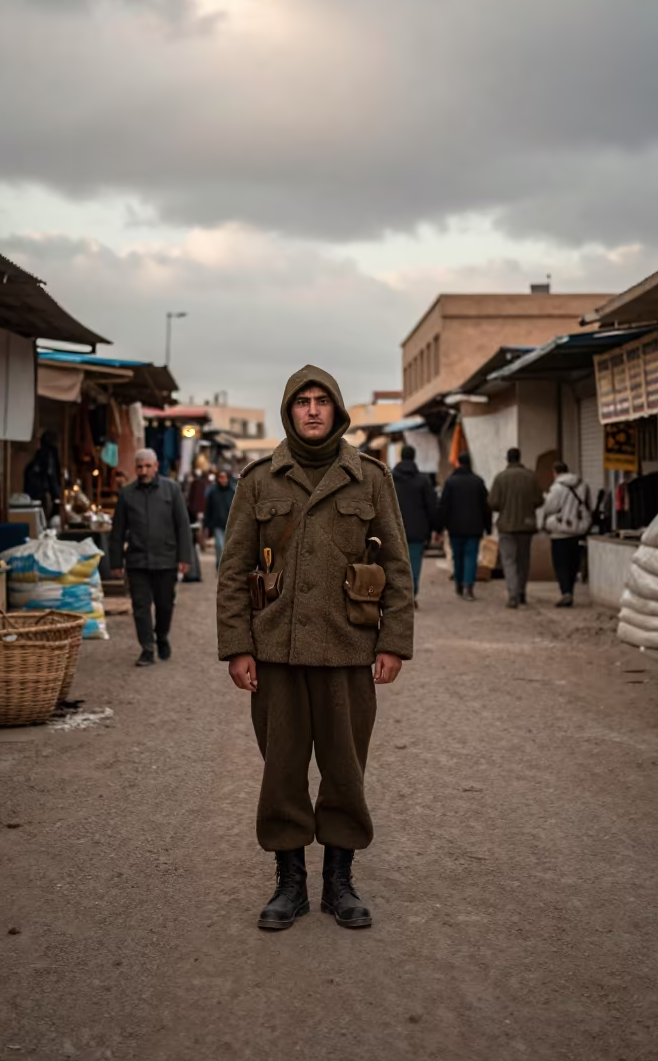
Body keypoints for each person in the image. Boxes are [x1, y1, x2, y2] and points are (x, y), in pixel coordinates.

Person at [217, 365, 414, 931]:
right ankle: (290, 885)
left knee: (345, 769)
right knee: (281, 771)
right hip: (275, 651)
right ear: (289, 411)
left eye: (320, 401)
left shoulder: (369, 477)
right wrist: (238, 646)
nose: (311, 410)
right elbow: (234, 570)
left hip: (348, 648)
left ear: (337, 411)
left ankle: (339, 883)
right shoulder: (260, 479)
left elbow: (397, 565)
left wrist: (394, 642)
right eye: (301, 401)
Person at [110, 448, 193, 666]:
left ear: (156, 467)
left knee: (165, 605)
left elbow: (183, 526)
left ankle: (162, 636)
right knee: (140, 607)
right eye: (140, 467)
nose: (144, 471)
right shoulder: (127, 494)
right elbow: (117, 530)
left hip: (166, 559)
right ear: (135, 469)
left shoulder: (171, 490)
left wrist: (185, 557)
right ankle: (147, 648)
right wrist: (116, 561)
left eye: (148, 466)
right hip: (137, 561)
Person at [489, 447, 544, 609]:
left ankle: (513, 594)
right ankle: (521, 592)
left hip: (506, 526)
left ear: (507, 459)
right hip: (526, 526)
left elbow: (493, 503)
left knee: (509, 561)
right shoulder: (531, 477)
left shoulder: (500, 478)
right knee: (523, 561)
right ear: (520, 458)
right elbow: (539, 500)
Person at [437, 451, 491, 601]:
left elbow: (444, 506)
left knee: (458, 557)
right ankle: (469, 587)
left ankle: (459, 585)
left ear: (458, 463)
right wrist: (488, 527)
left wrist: (439, 527)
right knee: (471, 557)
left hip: (455, 528)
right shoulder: (478, 482)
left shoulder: (451, 482)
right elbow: (485, 507)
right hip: (474, 527)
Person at [391, 444, 438, 605]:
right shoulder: (423, 480)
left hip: (394, 530)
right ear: (414, 457)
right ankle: (411, 595)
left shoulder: (390, 478)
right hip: (417, 530)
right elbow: (431, 506)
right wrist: (435, 527)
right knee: (414, 564)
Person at [542, 461, 592, 607]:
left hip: (560, 531)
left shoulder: (557, 488)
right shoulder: (583, 485)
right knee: (573, 564)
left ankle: (566, 592)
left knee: (560, 564)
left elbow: (549, 508)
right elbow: (588, 505)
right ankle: (571, 590)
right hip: (578, 530)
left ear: (555, 473)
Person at [204, 468, 236, 569]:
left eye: (224, 477)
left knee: (228, 547)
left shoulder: (232, 492)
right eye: (220, 477)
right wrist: (206, 525)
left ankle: (227, 566)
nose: (222, 480)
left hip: (230, 524)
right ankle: (220, 566)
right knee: (220, 546)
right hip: (217, 524)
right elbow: (208, 509)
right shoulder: (213, 492)